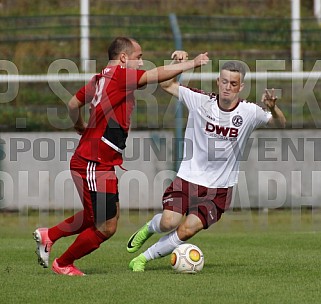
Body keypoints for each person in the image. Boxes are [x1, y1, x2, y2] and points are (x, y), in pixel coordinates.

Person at [33, 38, 209, 276]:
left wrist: (79, 124)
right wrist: (193, 64)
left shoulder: (99, 78)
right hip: (93, 163)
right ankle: (63, 263)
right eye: (138, 57)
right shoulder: (120, 75)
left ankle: (49, 235)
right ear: (124, 58)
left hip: (98, 161)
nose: (140, 63)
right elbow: (154, 75)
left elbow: (73, 103)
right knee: (105, 226)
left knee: (101, 216)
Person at [127, 52, 286, 272]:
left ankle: (142, 259)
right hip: (188, 179)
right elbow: (166, 85)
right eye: (224, 81)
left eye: (233, 83)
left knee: (187, 230)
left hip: (219, 189)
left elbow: (281, 123)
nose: (227, 87)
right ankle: (149, 228)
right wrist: (177, 64)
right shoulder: (200, 100)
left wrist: (273, 107)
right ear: (217, 82)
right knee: (168, 223)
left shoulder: (249, 112)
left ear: (241, 87)